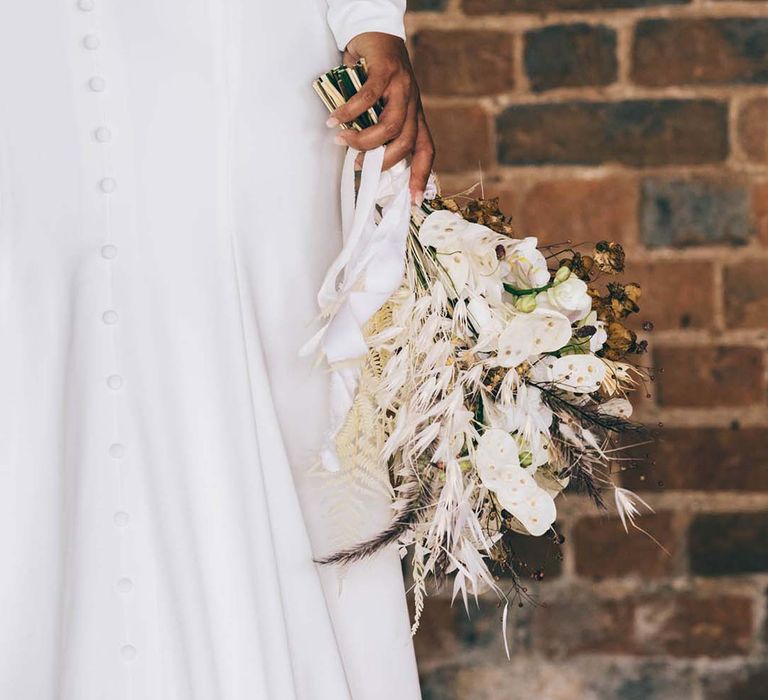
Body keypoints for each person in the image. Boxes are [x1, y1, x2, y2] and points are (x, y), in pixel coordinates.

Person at [0, 1, 433, 698]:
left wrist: (371, 20)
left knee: (267, 372)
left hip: (241, 46)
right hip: (28, 55)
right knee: (39, 361)